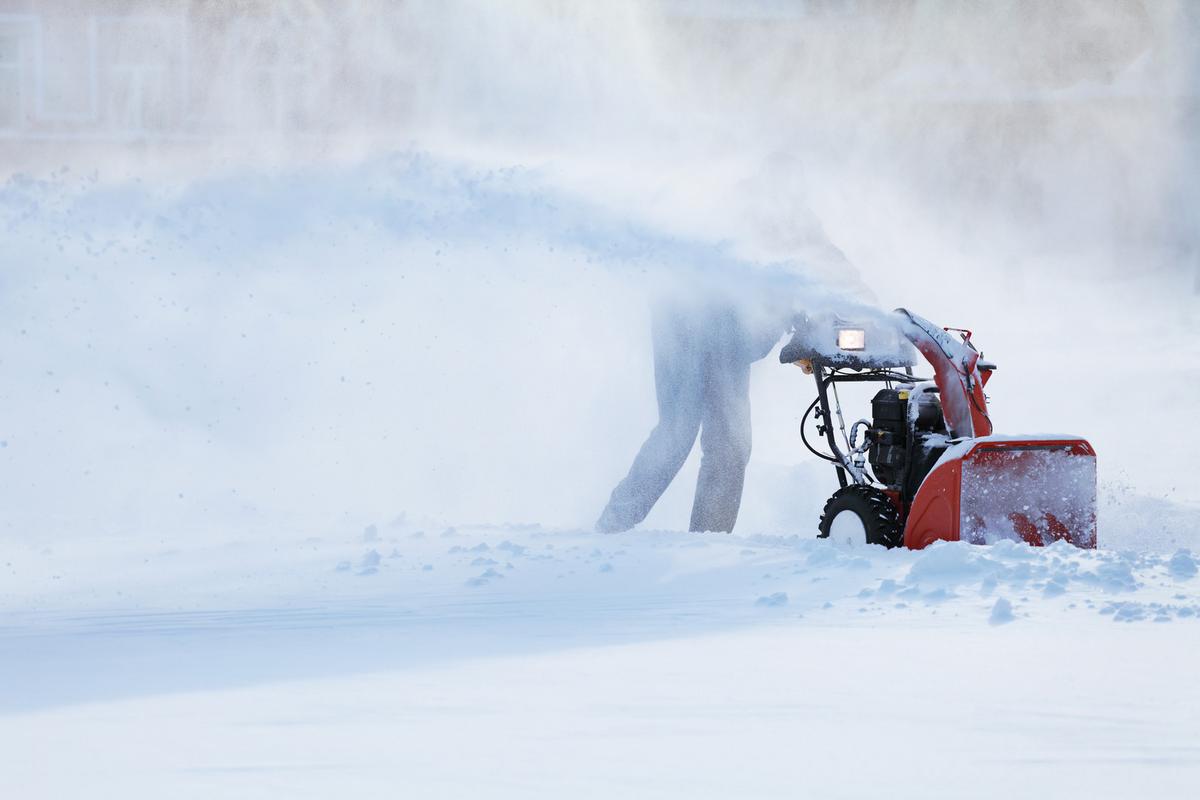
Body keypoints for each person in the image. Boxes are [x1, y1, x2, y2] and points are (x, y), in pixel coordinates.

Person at [595, 290, 787, 533]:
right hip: (682, 313)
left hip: (730, 320)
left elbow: (751, 343)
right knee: (678, 429)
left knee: (730, 444)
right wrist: (783, 313)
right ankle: (613, 525)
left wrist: (785, 313)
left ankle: (708, 540)